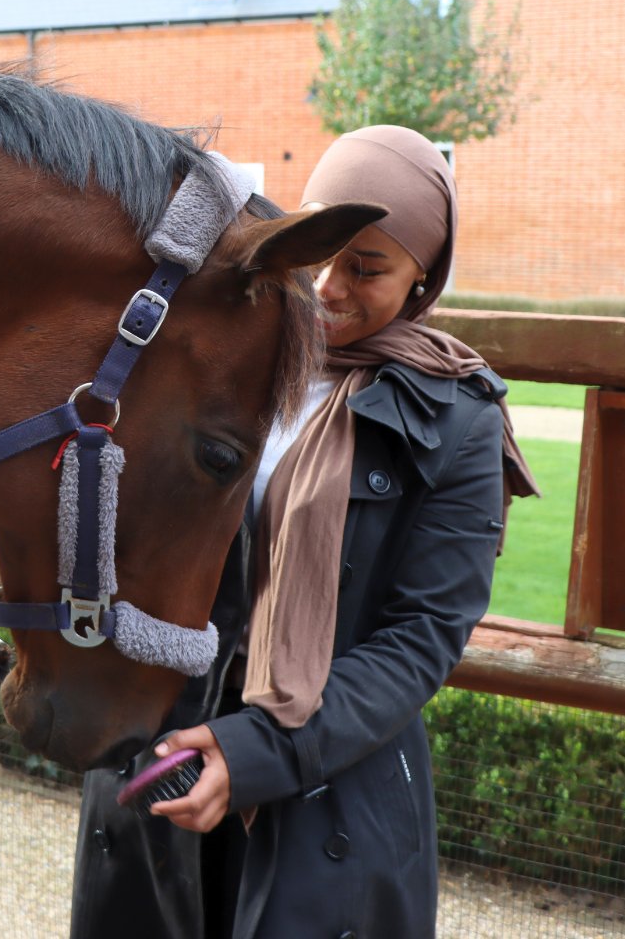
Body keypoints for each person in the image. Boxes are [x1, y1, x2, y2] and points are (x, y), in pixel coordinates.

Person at [69, 126, 538, 939]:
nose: (326, 286)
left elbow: (420, 640)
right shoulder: (228, 356)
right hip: (163, 755)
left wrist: (252, 754)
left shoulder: (461, 421)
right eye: (321, 249)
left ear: (424, 274)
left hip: (329, 798)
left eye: (368, 267)